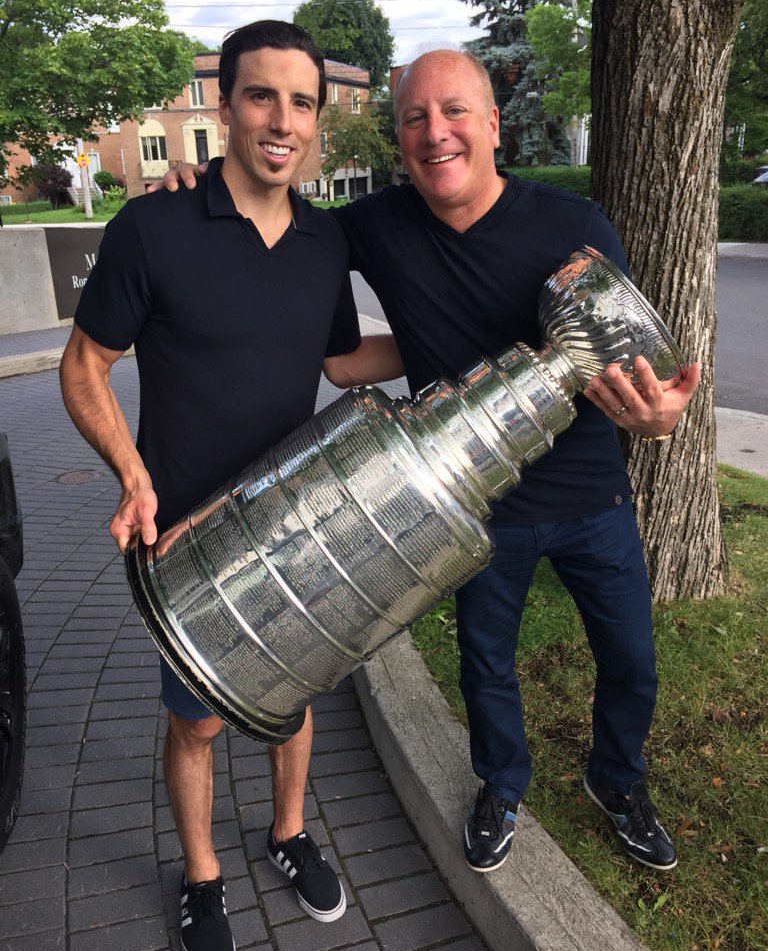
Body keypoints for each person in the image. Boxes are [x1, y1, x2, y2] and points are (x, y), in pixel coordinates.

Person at [158, 49, 700, 877]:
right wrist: (194, 194)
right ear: (399, 137)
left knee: (631, 657)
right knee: (486, 664)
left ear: (491, 126)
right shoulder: (374, 223)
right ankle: (500, 787)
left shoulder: (573, 225)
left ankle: (619, 782)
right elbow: (274, 224)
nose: (433, 132)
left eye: (453, 113)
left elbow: (629, 359)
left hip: (592, 496)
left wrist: (661, 415)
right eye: (413, 118)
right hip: (475, 507)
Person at [59, 20, 403, 951]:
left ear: (317, 122)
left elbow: (339, 360)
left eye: (301, 102)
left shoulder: (325, 238)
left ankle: (289, 833)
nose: (282, 119)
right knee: (199, 721)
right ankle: (203, 877)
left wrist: (448, 343)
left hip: (297, 528)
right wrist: (132, 473)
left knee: (291, 704)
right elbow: (85, 365)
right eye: (262, 96)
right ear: (226, 104)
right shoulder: (155, 225)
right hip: (187, 541)